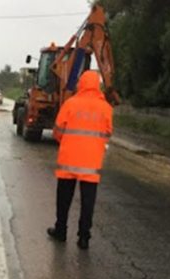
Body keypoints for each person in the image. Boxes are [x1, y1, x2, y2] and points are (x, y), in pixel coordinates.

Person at [46, 70, 113, 249]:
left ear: (81, 84)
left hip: (69, 161)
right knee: (87, 202)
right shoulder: (106, 107)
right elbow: (107, 133)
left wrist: (67, 142)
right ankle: (84, 238)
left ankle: (61, 231)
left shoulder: (70, 104)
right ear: (97, 85)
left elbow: (57, 131)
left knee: (64, 199)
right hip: (91, 164)